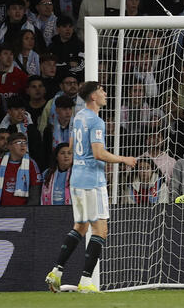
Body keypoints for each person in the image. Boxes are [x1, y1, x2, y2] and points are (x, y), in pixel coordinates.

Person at [45, 82, 138, 294]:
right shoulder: (96, 121)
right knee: (100, 230)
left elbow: (70, 145)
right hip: (92, 181)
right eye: (102, 90)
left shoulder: (77, 118)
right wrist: (124, 159)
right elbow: (98, 153)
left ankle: (56, 272)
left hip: (76, 178)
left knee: (81, 227)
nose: (105, 93)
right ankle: (86, 281)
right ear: (93, 96)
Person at [0, 131, 42, 205]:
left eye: (25, 142)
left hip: (23, 212)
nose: (23, 145)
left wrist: (29, 211)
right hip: (0, 210)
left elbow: (35, 191)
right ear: (9, 146)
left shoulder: (31, 164)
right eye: (18, 142)